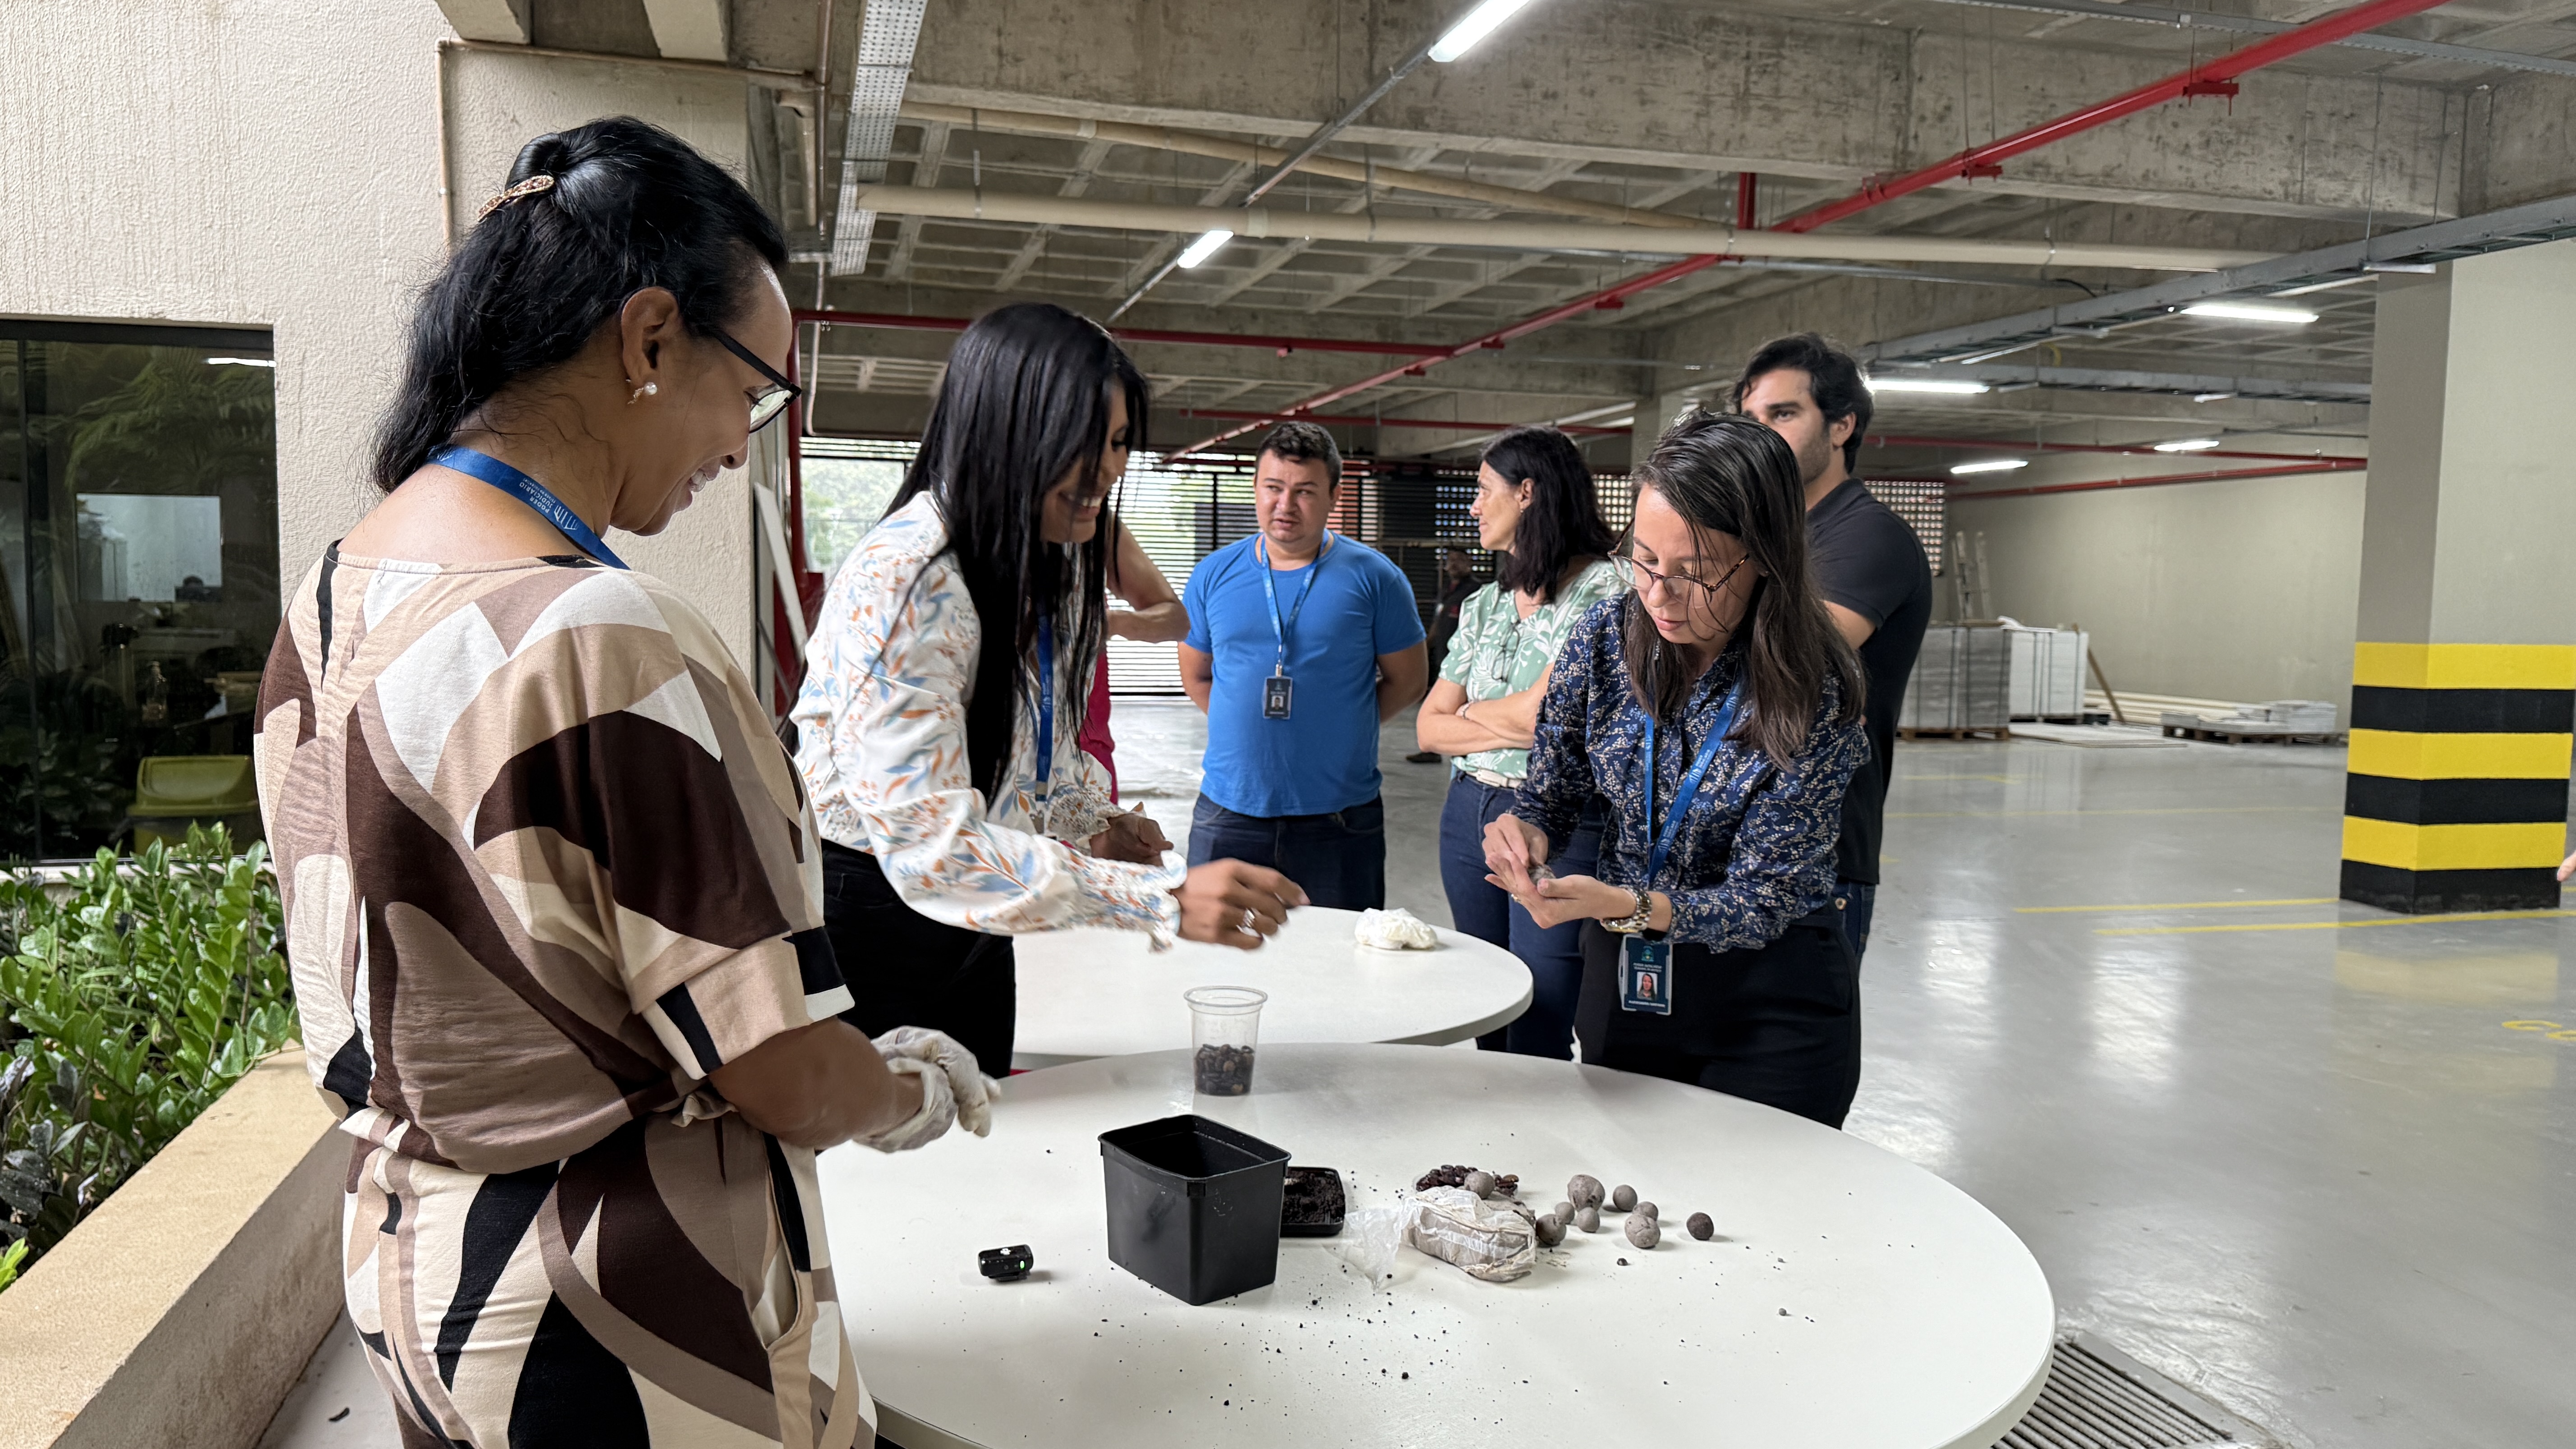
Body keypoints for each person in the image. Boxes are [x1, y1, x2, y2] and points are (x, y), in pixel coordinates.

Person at [257, 119, 985, 1449]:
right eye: (753, 392)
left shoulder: (327, 598)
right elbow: (778, 1073)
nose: (742, 448)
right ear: (649, 340)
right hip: (628, 1327)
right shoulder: (605, 640)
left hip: (421, 1278)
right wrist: (903, 1090)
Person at [793, 303, 1305, 1080]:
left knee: (986, 1111)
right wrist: (1159, 898)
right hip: (871, 910)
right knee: (890, 1137)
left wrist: (1093, 820)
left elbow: (1034, 751)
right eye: (1081, 442)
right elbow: (929, 848)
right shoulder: (908, 579)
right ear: (1004, 429)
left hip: (978, 915)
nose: (1107, 471)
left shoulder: (1048, 558)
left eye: (1119, 443)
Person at [1483, 409, 1872, 1128]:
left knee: (1761, 1189)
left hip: (1769, 1002)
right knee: (1630, 1173)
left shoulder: (1814, 685)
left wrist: (1629, 905)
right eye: (1644, 561)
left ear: (1765, 557)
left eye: (1694, 574)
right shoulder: (1605, 639)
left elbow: (1764, 899)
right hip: (1632, 982)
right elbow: (1552, 790)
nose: (1658, 595)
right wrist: (1525, 830)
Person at [1414, 427, 1621, 1057]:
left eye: (1483, 490)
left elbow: (1548, 721)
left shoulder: (1607, 594)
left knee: (1542, 1009)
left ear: (1527, 492)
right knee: (1486, 1001)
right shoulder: (1487, 604)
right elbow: (1428, 727)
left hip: (1559, 819)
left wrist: (1472, 712)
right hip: (1468, 811)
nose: (1474, 507)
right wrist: (1513, 717)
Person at [1734, 333, 1932, 960]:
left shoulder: (1868, 537)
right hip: (1730, 836)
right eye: (1751, 419)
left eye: (1783, 414)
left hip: (1816, 856)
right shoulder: (1770, 539)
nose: (1762, 436)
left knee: (1789, 1025)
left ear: (1842, 426)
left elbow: (1779, 665)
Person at [1178, 422, 1429, 908]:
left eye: (1305, 492)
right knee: (1214, 952)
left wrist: (1343, 724)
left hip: (1339, 818)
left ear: (1334, 495)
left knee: (1339, 952)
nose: (1285, 505)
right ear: (1256, 487)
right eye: (1273, 487)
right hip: (1229, 811)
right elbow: (1197, 674)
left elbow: (1410, 679)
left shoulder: (1376, 578)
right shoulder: (1213, 574)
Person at [1080, 523, 1187, 797]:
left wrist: (1109, 623)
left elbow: (1176, 619)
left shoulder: (1095, 522)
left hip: (1084, 754)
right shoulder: (982, 518)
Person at [1406, 547, 1484, 763]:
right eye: (1451, 560)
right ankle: (1433, 749)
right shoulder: (1448, 590)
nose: (1454, 565)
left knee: (1462, 706)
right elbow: (1438, 620)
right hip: (1444, 654)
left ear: (1470, 563)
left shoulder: (1476, 590)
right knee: (1439, 705)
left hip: (1464, 659)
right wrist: (1426, 645)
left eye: (1460, 560)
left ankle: (1465, 751)